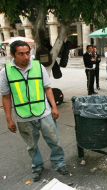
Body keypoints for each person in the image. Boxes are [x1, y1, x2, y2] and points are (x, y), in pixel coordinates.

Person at [0, 40, 69, 182]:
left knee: (54, 140)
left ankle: (59, 163)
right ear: (13, 54)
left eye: (27, 53)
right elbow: (6, 97)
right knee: (31, 145)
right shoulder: (5, 72)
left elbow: (47, 88)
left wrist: (54, 107)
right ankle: (37, 167)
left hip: (44, 112)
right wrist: (9, 119)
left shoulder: (38, 66)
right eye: (21, 54)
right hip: (23, 116)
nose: (25, 57)